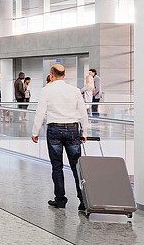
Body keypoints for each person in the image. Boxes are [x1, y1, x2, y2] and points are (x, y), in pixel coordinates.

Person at [32, 64, 89, 211]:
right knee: (77, 167)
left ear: (51, 75)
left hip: (54, 130)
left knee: (57, 167)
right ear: (64, 75)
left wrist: (35, 132)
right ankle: (83, 200)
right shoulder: (75, 90)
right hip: (72, 129)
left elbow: (40, 112)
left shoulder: (46, 90)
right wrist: (84, 133)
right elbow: (83, 112)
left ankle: (60, 200)